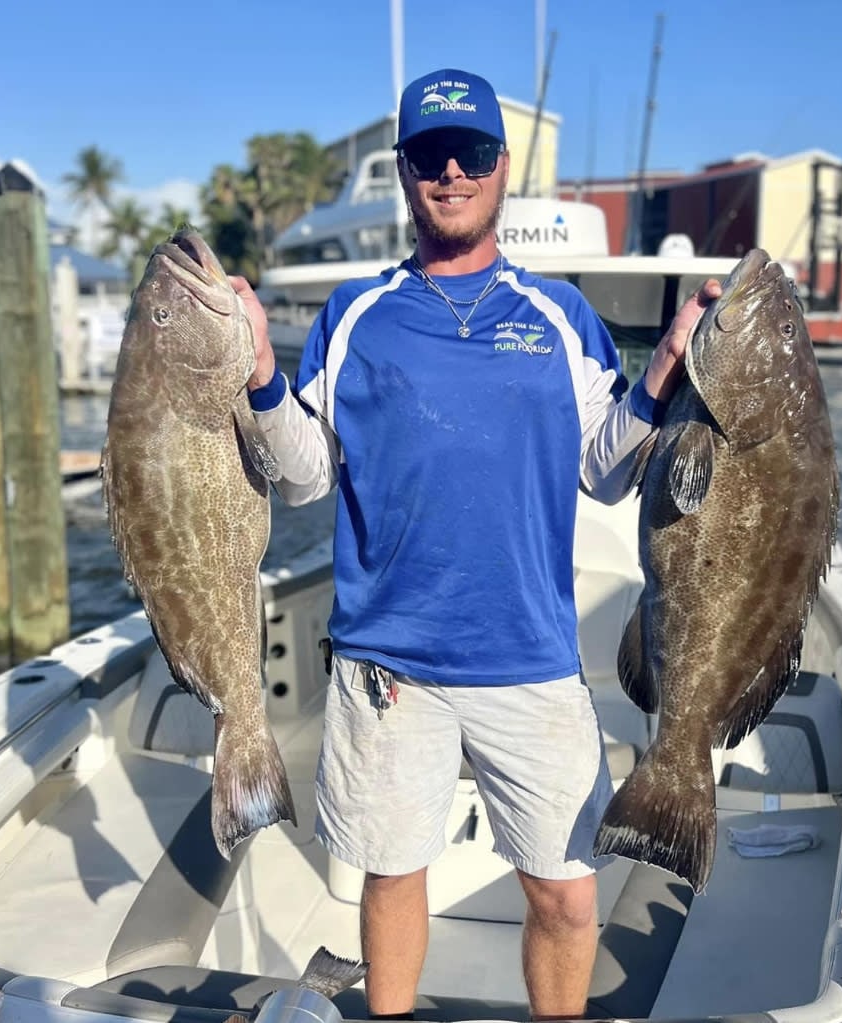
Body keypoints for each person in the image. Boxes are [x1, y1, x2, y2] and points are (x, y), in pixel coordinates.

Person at [230, 66, 721, 1021]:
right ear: (409, 173)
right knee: (392, 873)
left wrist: (661, 369)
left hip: (529, 657)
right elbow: (301, 476)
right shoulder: (355, 315)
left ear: (502, 169)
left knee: (568, 894)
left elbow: (607, 470)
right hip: (387, 665)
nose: (452, 171)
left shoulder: (560, 316)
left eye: (474, 152)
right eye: (429, 154)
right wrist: (258, 375)